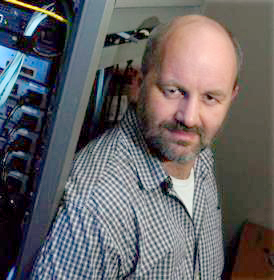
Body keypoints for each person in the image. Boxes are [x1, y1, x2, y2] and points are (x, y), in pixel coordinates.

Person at [31, 14, 241, 279]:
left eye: (210, 97)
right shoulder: (98, 206)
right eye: (173, 91)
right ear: (140, 83)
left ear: (231, 97)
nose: (188, 118)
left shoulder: (198, 149)